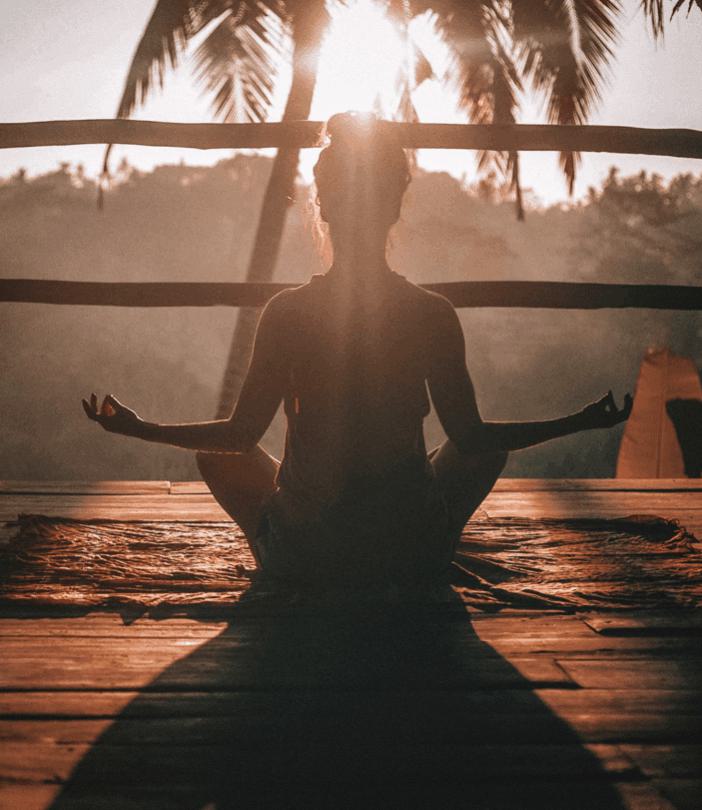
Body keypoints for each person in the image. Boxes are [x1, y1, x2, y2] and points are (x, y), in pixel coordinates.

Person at [83, 112, 632, 588]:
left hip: (308, 556)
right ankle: (430, 542)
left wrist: (140, 428)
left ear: (323, 208)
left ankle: (278, 553)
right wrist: (579, 421)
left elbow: (239, 436)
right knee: (484, 449)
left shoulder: (288, 312)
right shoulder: (431, 312)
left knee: (218, 456)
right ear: (394, 208)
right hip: (409, 552)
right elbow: (472, 438)